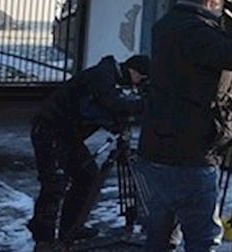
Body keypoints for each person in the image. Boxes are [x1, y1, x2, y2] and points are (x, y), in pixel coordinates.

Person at [137, 0, 232, 252]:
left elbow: (210, 15)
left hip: (154, 151)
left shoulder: (167, 26)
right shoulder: (197, 34)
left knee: (160, 236)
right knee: (203, 240)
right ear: (212, 3)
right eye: (221, 4)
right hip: (191, 155)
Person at [26, 53, 150, 249]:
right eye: (141, 79)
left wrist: (118, 120)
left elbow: (100, 109)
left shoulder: (107, 77)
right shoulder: (103, 76)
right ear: (133, 70)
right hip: (51, 130)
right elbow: (111, 105)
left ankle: (72, 228)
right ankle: (44, 239)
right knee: (54, 184)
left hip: (66, 134)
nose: (138, 85)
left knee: (87, 176)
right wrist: (144, 105)